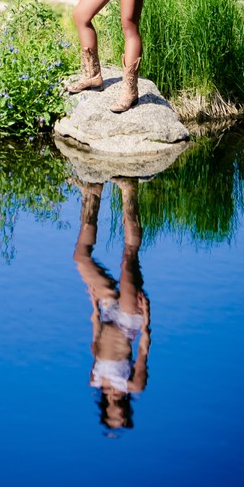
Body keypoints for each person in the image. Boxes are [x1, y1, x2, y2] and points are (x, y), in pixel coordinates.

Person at [72, 179, 150, 431]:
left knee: (81, 258)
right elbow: (143, 351)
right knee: (129, 259)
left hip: (106, 314)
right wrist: (147, 318)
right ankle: (129, 191)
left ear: (106, 412)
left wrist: (94, 305)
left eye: (115, 420)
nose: (121, 418)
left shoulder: (94, 380)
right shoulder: (134, 385)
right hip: (128, 319)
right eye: (123, 420)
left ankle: (92, 191)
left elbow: (95, 340)